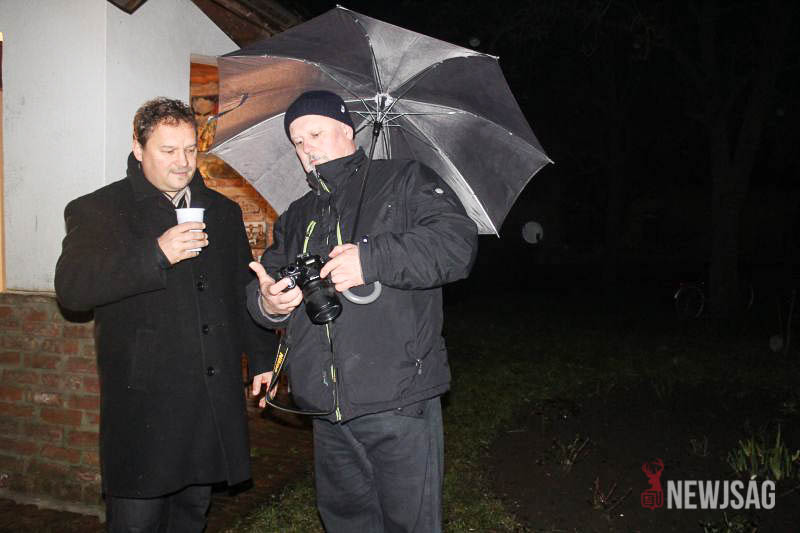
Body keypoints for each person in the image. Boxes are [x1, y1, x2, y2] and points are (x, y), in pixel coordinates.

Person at [247, 90, 478, 532]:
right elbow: (264, 286)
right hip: (326, 411)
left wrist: (370, 260)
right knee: (347, 523)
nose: (306, 148)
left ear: (347, 131)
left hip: (398, 400)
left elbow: (456, 245)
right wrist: (268, 303)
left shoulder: (405, 179)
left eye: (315, 134)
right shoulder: (297, 215)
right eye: (297, 141)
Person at [54, 97, 275, 532]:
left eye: (190, 149)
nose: (183, 162)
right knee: (137, 521)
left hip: (207, 396)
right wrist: (155, 254)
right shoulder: (99, 209)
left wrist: (263, 358)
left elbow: (240, 289)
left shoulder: (222, 212)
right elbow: (72, 289)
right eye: (168, 150)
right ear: (138, 148)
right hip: (145, 402)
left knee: (191, 514)